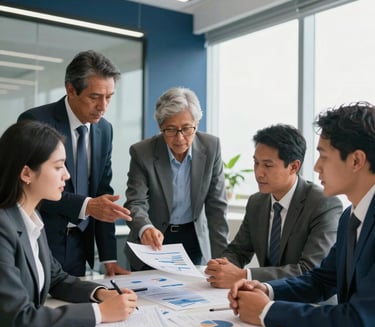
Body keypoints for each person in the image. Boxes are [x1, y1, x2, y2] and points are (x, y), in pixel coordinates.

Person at [228, 102, 375, 327]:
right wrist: (266, 289)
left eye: (324, 156)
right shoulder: (351, 217)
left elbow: (360, 325)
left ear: (356, 160)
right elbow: (322, 280)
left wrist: (267, 312)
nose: (316, 167)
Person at [0, 120, 137, 327]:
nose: (67, 175)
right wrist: (100, 313)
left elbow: (57, 278)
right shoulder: (3, 227)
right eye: (58, 166)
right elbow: (18, 319)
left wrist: (101, 294)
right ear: (26, 173)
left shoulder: (31, 218)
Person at [18, 50, 132, 277]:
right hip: (42, 241)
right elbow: (29, 188)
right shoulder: (36, 121)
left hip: (80, 248)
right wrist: (87, 206)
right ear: (71, 89)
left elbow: (102, 194)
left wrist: (109, 259)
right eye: (95, 97)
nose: (103, 106)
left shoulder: (104, 129)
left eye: (109, 97)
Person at [205, 124, 342, 288]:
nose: (258, 173)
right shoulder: (257, 202)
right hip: (266, 298)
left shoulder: (323, 204)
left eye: (267, 165)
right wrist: (222, 266)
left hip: (310, 305)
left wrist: (245, 275)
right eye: (256, 163)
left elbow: (309, 270)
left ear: (294, 167)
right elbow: (238, 251)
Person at [124, 87, 229, 270]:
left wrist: (223, 260)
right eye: (171, 130)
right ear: (160, 127)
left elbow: (217, 207)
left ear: (196, 123)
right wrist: (145, 228)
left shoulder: (211, 147)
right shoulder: (142, 152)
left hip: (194, 239)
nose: (180, 138)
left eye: (187, 128)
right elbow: (135, 202)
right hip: (154, 240)